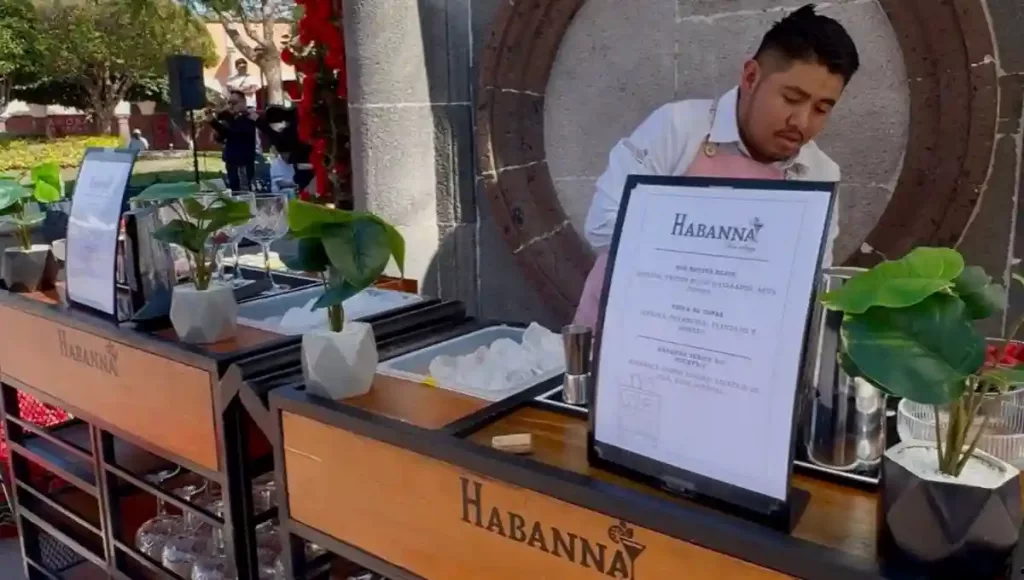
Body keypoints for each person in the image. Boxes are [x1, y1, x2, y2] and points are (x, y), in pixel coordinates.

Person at [574, 4, 859, 329]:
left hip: (733, 341)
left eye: (821, 109)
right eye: (791, 99)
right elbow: (603, 224)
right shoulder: (677, 128)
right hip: (629, 328)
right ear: (751, 77)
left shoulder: (820, 175)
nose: (802, 122)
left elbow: (810, 281)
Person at [207, 90, 258, 192]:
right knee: (234, 190)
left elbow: (234, 134)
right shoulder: (231, 119)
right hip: (231, 161)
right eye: (229, 103)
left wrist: (213, 122)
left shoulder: (250, 117)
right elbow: (221, 137)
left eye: (234, 103)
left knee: (244, 191)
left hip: (243, 162)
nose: (230, 106)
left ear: (243, 102)